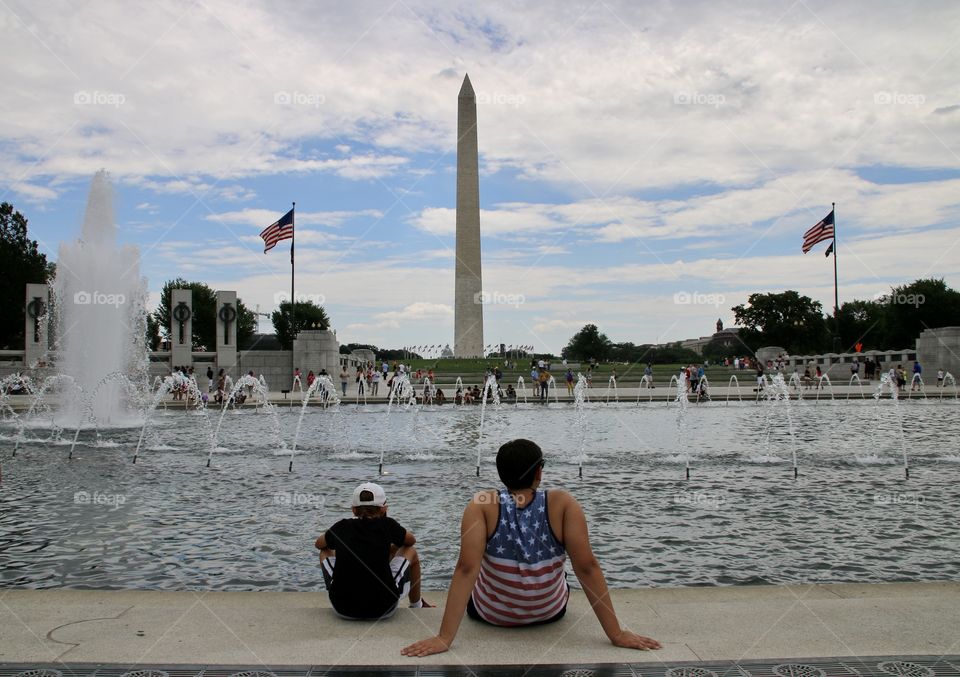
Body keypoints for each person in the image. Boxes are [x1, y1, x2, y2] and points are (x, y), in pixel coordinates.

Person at [401, 439, 661, 657]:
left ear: (501, 473)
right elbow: (587, 567)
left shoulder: (481, 504)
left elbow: (467, 568)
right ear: (539, 472)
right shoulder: (562, 503)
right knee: (563, 575)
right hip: (549, 612)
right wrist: (616, 633)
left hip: (490, 614)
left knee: (483, 571)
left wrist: (444, 638)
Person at [315, 482, 430, 620]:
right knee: (410, 551)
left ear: (353, 509)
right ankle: (416, 604)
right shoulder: (388, 525)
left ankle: (341, 588)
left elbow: (319, 544)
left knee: (325, 551)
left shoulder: (342, 526)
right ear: (383, 509)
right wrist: (390, 547)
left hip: (343, 608)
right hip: (384, 608)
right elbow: (411, 541)